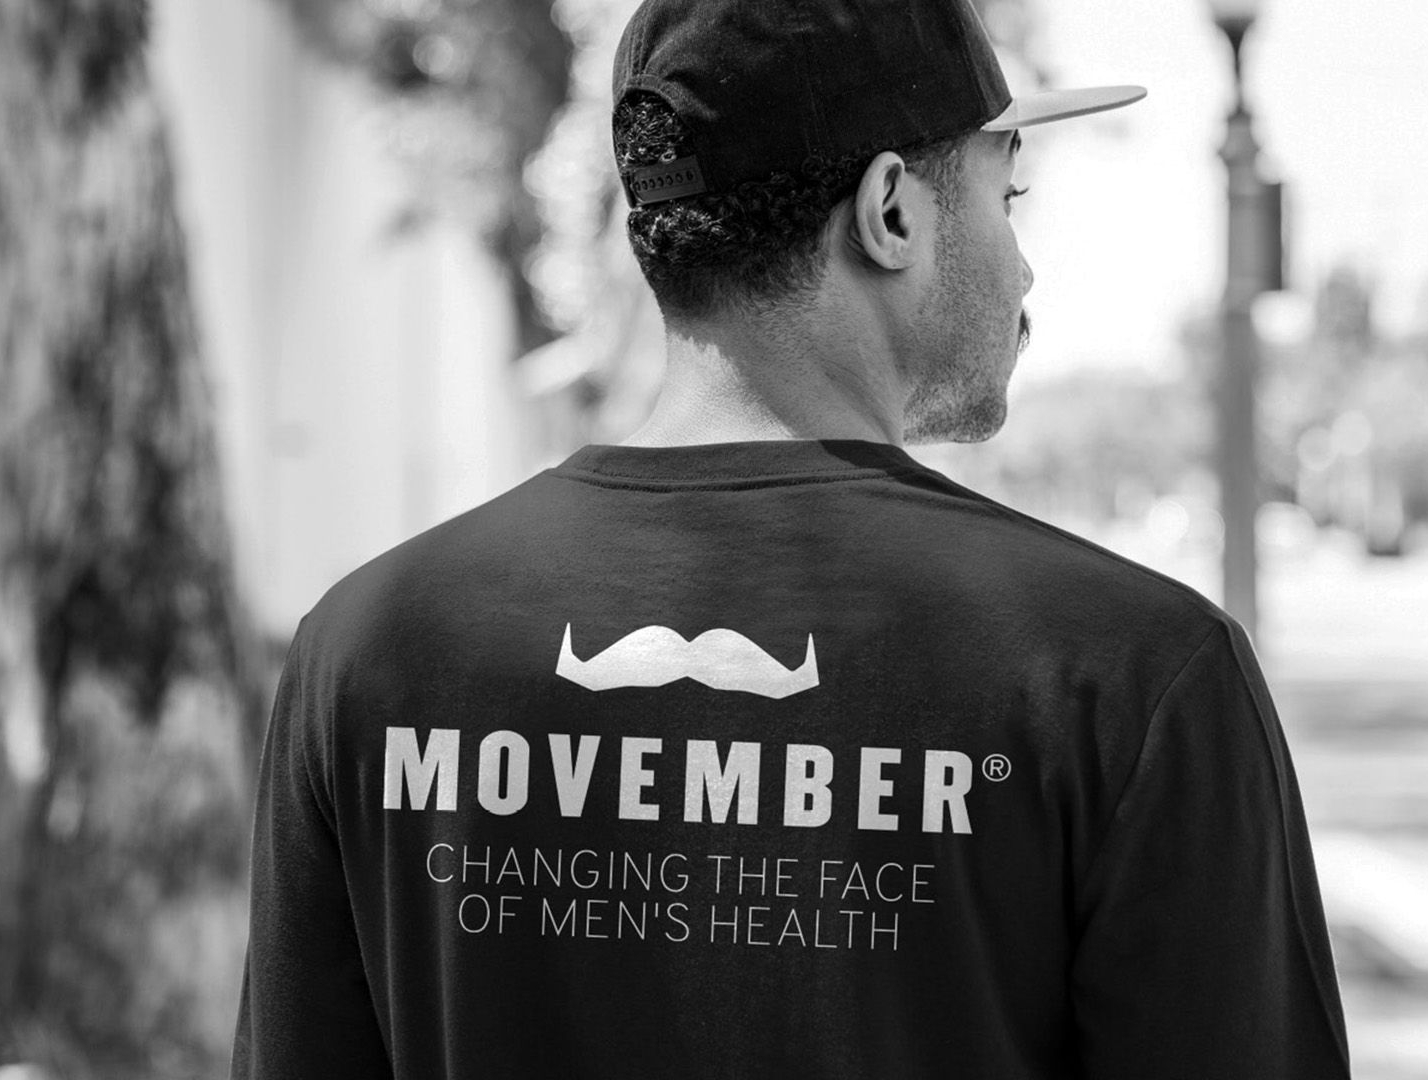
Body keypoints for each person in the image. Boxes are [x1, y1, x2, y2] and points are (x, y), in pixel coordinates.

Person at [232, 0, 1351, 1076]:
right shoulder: (1132, 678)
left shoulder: (366, 654)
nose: (1023, 266)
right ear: (892, 213)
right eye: (1004, 193)